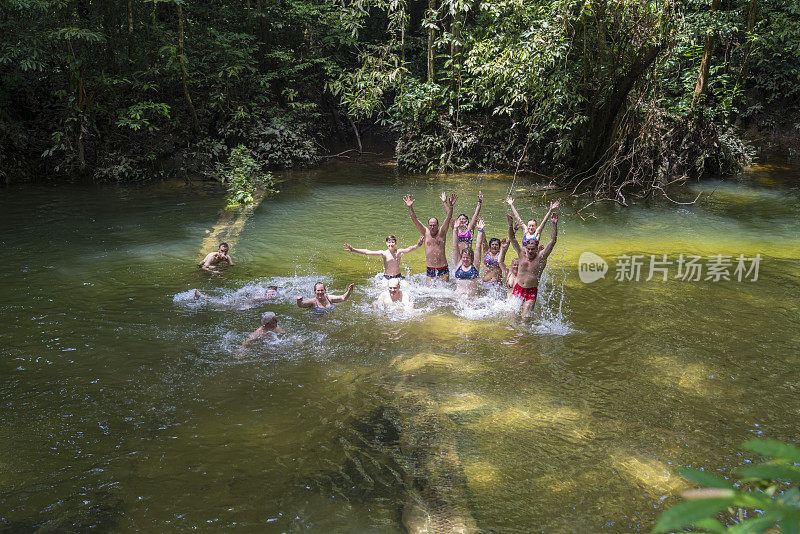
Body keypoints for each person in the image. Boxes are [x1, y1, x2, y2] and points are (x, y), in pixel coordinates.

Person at [508, 211, 558, 318]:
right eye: (529, 249)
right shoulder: (522, 254)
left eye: (533, 250)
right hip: (518, 288)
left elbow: (553, 241)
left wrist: (554, 224)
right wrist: (510, 224)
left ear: (537, 249)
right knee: (513, 316)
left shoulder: (541, 257)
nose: (530, 252)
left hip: (531, 291)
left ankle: (524, 334)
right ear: (526, 248)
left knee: (525, 318)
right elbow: (512, 238)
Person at [403, 192, 456, 283]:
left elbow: (448, 218)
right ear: (428, 225)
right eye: (430, 225)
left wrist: (450, 207)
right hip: (430, 268)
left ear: (438, 225)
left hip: (443, 268)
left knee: (446, 293)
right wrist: (410, 207)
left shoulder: (442, 232)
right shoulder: (425, 232)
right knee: (429, 293)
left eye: (434, 225)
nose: (432, 227)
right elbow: (415, 219)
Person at [343, 235, 424, 279]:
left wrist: (418, 245)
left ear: (395, 243)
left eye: (393, 242)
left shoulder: (398, 252)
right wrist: (353, 249)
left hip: (398, 276)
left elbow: (409, 249)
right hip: (386, 278)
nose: (391, 244)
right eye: (389, 242)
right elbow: (367, 252)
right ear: (386, 243)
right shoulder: (384, 253)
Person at [451, 217, 485, 297]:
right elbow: (455, 247)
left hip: (473, 300)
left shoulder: (475, 265)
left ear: (472, 259)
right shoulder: (458, 264)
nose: (465, 259)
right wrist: (455, 229)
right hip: (458, 299)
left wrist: (480, 231)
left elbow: (478, 247)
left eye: (468, 258)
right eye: (464, 257)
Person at [454, 192, 483, 257]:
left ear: (467, 221)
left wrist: (479, 202)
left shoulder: (469, 228)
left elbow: (475, 215)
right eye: (460, 219)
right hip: (459, 255)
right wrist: (450, 205)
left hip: (469, 255)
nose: (461, 220)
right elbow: (449, 217)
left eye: (463, 219)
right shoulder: (456, 229)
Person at [193, 285, 278, 304]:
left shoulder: (272, 297)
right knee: (222, 303)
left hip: (241, 301)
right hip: (240, 302)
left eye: (272, 294)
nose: (269, 296)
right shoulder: (260, 297)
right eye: (268, 293)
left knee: (222, 303)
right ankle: (202, 297)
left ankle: (203, 297)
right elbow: (250, 300)